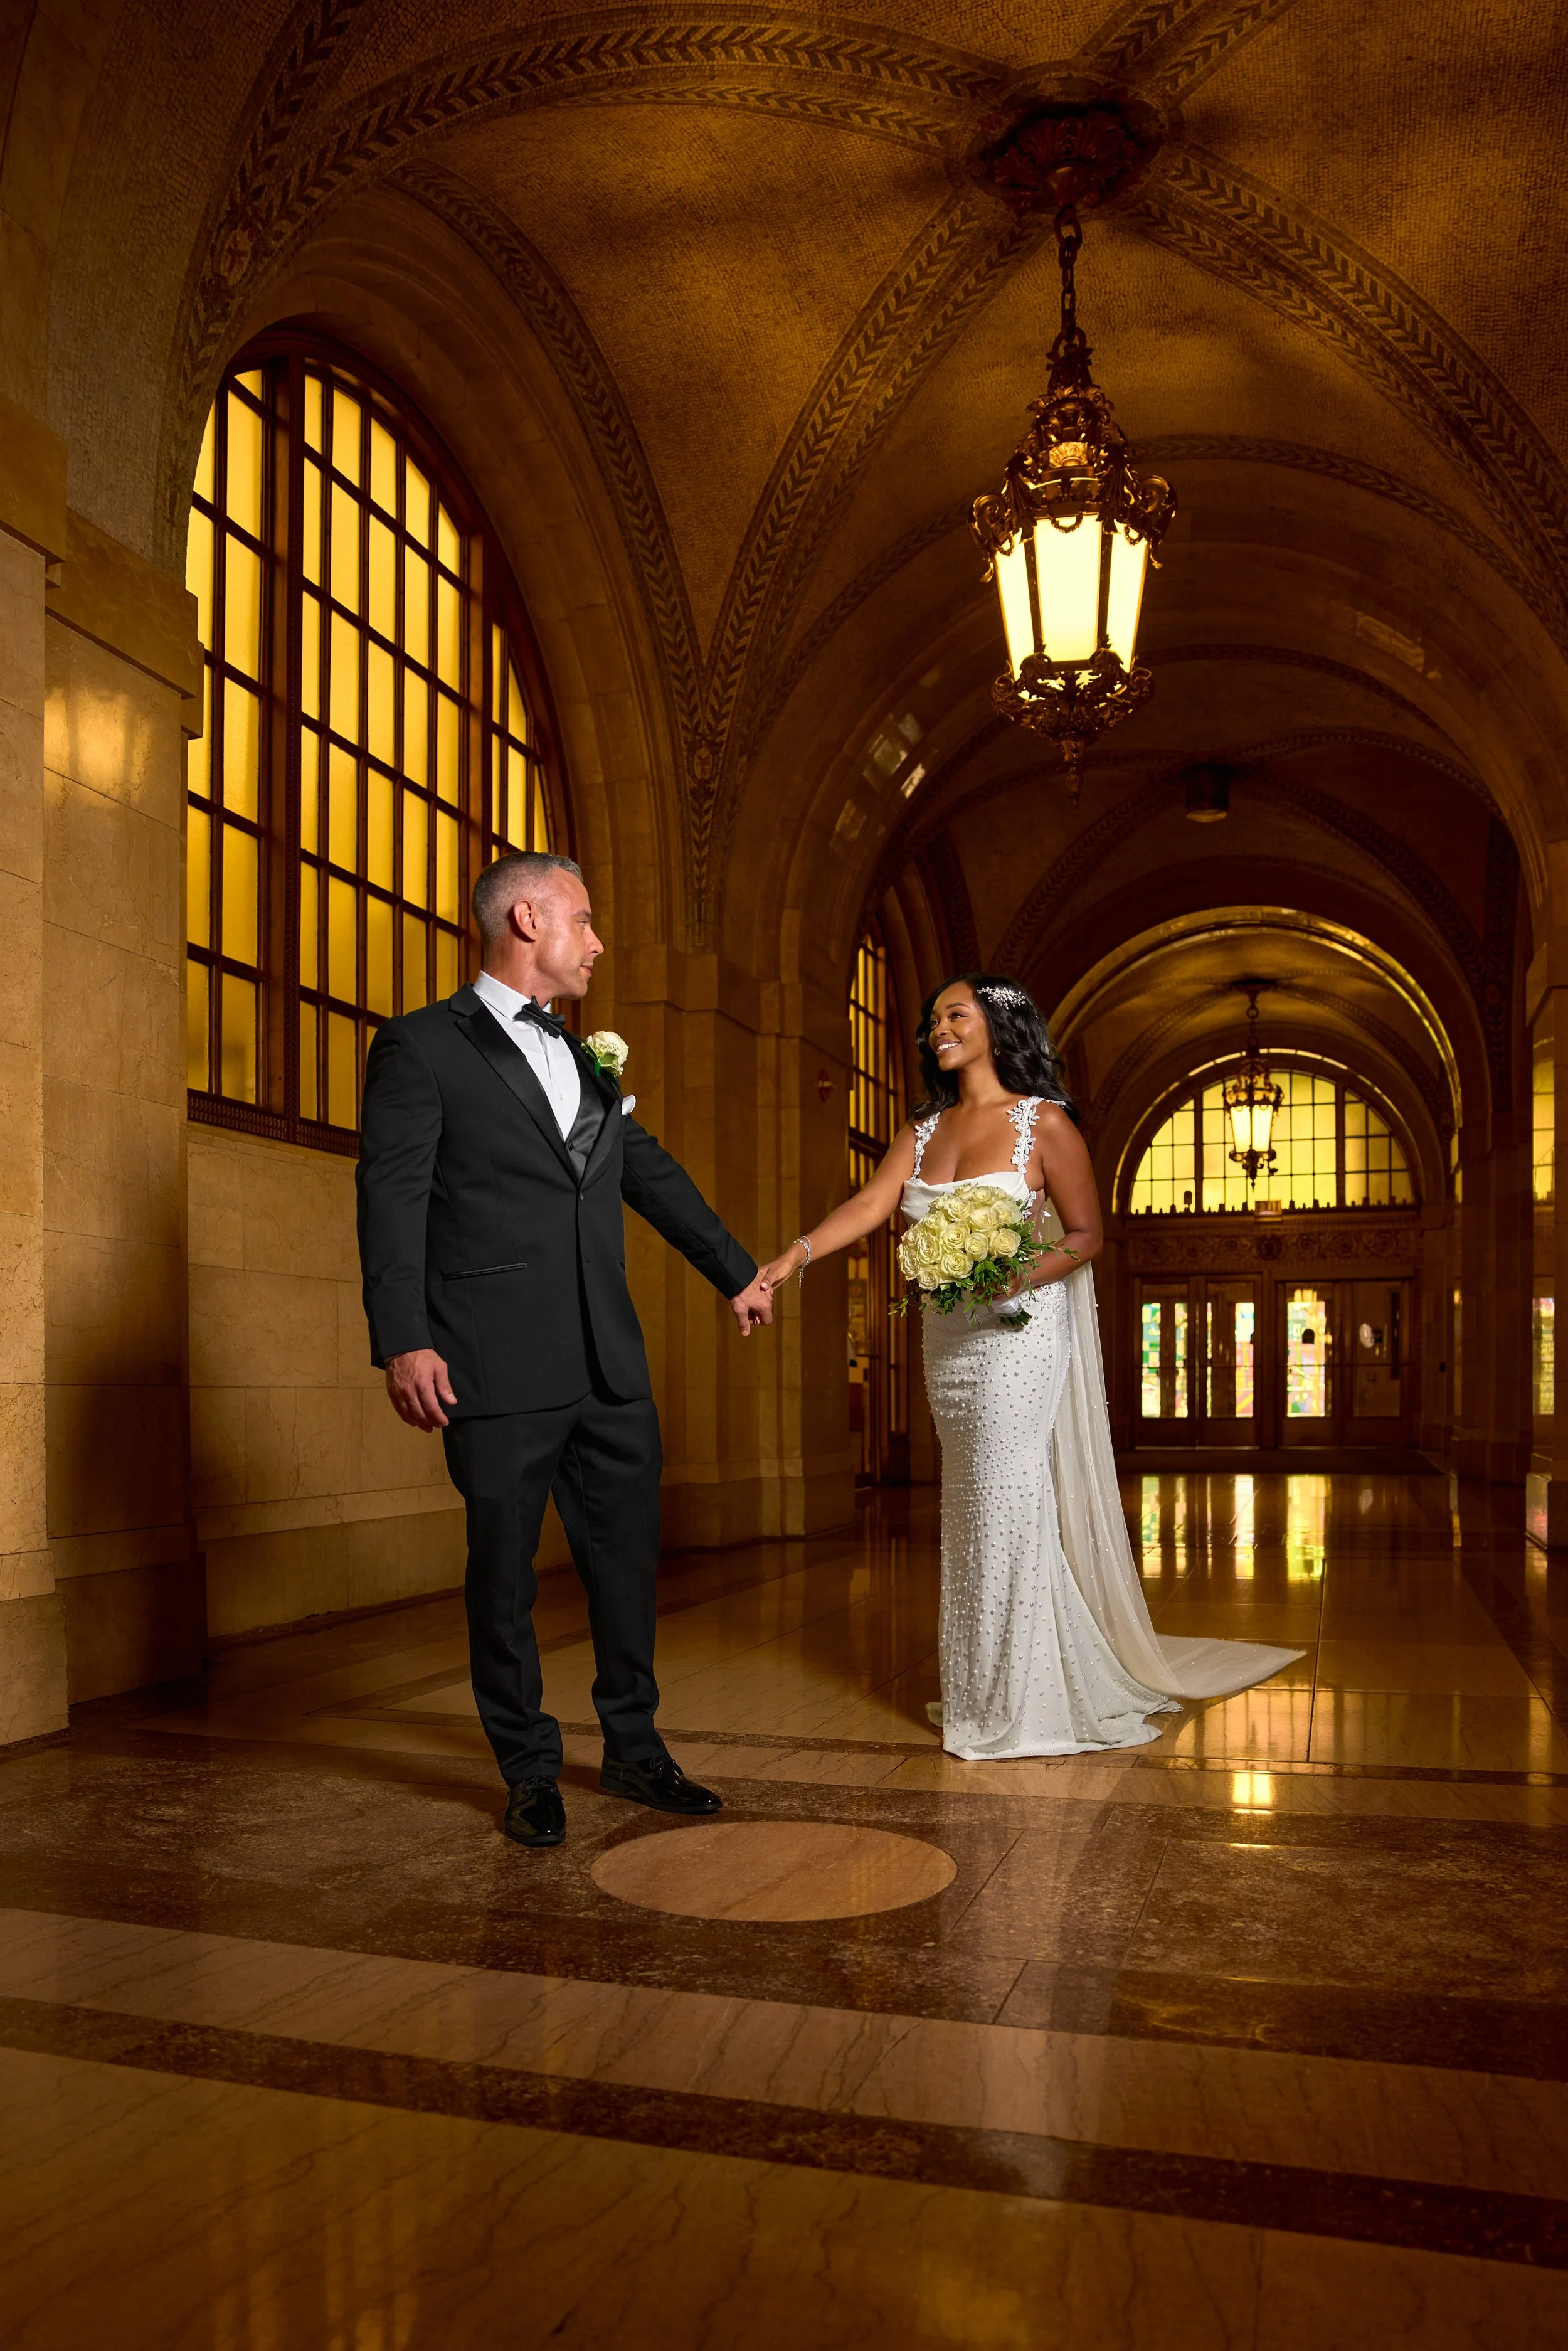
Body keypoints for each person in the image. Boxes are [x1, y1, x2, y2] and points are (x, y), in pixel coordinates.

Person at [760, 974, 1299, 1761]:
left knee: (1004, 1500)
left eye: (954, 1014)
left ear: (996, 1028)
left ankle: (1018, 1701)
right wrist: (793, 1256)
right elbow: (872, 1205)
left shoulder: (1043, 1125)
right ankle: (988, 1687)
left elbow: (1085, 1235)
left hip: (1018, 1331)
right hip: (946, 1342)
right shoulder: (919, 1130)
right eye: (931, 1018)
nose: (936, 1027)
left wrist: (1016, 1274)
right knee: (970, 1507)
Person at [357, 851, 775, 1845]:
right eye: (585, 922)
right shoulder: (420, 1048)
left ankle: (635, 1751)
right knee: (502, 1577)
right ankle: (528, 1771)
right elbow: (392, 1196)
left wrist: (736, 1269)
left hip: (610, 1365)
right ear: (530, 919)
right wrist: (402, 1340)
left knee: (627, 1567)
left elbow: (647, 1170)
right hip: (492, 1361)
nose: (595, 942)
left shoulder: (588, 1059)